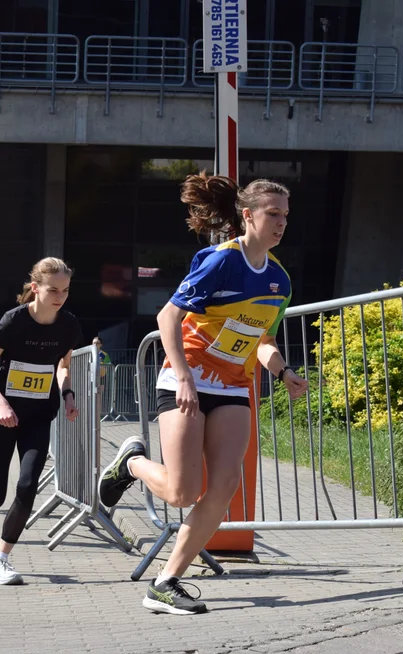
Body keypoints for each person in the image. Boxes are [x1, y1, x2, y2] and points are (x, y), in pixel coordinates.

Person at [97, 174, 309, 615]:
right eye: (273, 214)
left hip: (232, 385)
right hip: (184, 380)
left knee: (226, 483)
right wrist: (186, 377)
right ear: (248, 216)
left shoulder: (280, 280)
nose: (281, 222)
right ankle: (131, 464)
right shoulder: (219, 261)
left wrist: (284, 370)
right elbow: (167, 317)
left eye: (285, 215)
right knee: (181, 492)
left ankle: (166, 581)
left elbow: (262, 340)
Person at [0, 258, 82, 585]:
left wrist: (68, 394)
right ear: (35, 288)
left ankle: (0, 560)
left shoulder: (69, 325)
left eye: (65, 290)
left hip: (39, 415)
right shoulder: (13, 321)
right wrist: (1, 402)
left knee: (27, 485)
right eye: (53, 290)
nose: (59, 296)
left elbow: (62, 367)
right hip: (4, 415)